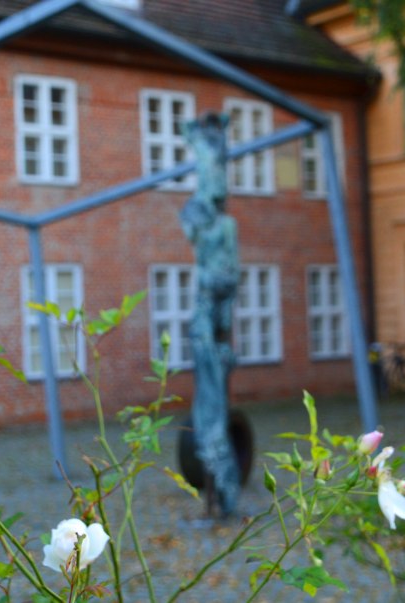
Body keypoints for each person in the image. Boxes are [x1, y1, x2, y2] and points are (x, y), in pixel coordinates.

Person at [179, 112, 241, 516]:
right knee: (209, 409)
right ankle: (219, 485)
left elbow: (227, 278)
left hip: (213, 331)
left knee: (213, 409)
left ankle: (223, 487)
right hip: (208, 336)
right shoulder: (205, 221)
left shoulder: (223, 225)